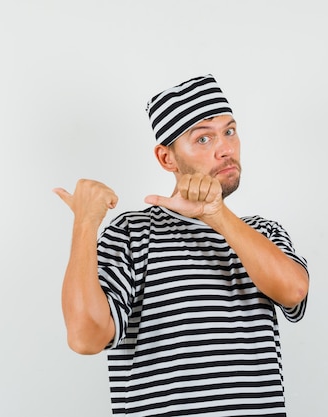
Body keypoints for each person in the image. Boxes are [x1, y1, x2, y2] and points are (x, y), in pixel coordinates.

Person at [53, 74, 309, 416]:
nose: (225, 149)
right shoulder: (132, 233)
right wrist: (85, 223)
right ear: (167, 158)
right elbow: (86, 337)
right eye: (203, 138)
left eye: (229, 131)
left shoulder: (262, 232)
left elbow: (294, 291)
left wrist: (217, 215)